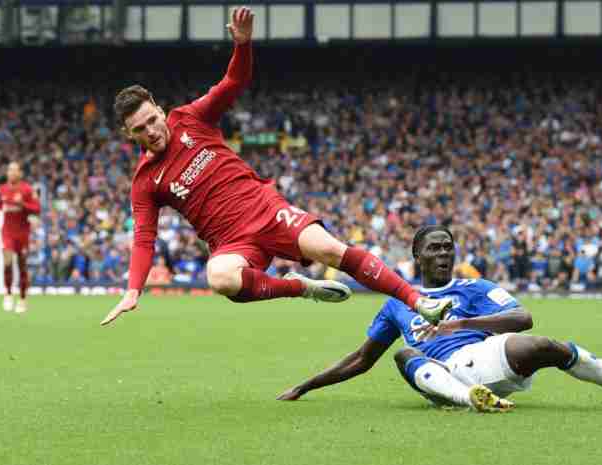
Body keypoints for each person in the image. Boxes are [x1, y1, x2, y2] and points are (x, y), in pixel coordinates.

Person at [101, 7, 451, 326]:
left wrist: (243, 45)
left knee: (330, 249)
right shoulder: (145, 181)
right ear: (128, 135)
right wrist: (133, 290)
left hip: (266, 209)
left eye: (151, 120)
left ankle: (418, 302)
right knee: (220, 277)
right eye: (139, 129)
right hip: (231, 241)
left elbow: (233, 83)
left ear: (160, 111)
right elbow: (144, 240)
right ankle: (299, 287)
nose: (150, 131)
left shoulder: (190, 119)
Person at [277, 226, 602, 412]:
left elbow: (522, 316)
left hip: (479, 358)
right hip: (438, 375)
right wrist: (306, 385)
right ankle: (473, 401)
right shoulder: (396, 301)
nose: (444, 254)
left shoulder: (474, 289)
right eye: (435, 248)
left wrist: (459, 326)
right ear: (416, 256)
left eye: (448, 247)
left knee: (545, 345)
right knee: (403, 353)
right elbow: (361, 359)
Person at [0, 162, 41, 313]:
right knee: (7, 261)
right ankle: (8, 294)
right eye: (9, 169)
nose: (11, 172)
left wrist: (23, 204)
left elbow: (37, 208)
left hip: (23, 233)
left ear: (20, 173)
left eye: (14, 170)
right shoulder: (2, 189)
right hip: (7, 232)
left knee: (22, 265)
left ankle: (23, 299)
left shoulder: (27, 189)